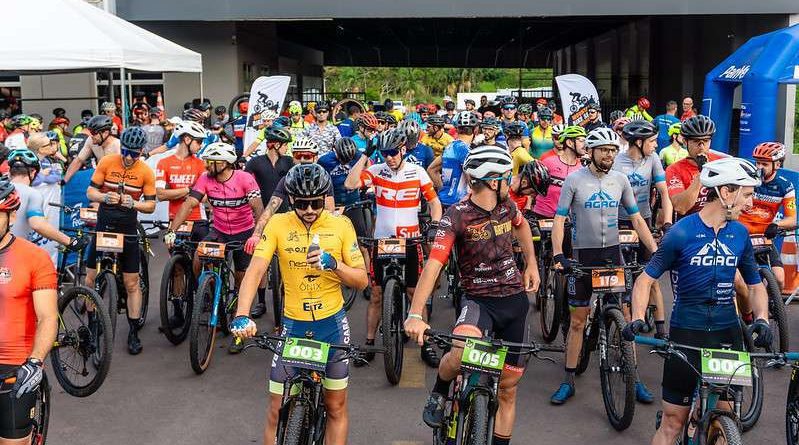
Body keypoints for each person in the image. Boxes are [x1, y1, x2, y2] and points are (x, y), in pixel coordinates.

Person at [623, 157, 770, 445]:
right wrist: (638, 318)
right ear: (726, 192)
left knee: (724, 415)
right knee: (672, 422)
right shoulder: (682, 232)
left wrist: (762, 318)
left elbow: (754, 285)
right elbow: (645, 280)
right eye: (748, 194)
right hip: (686, 335)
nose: (750, 203)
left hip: (727, 334)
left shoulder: (740, 233)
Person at [405, 145, 541, 445]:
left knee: (508, 388)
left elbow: (522, 227)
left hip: (515, 301)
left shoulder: (508, 206)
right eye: (508, 177)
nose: (512, 183)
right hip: (478, 301)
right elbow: (434, 265)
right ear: (494, 181)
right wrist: (415, 314)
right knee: (459, 354)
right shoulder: (457, 216)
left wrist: (531, 264)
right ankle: (440, 391)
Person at [229, 164, 367, 445]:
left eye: (316, 203)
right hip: (293, 326)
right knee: (275, 410)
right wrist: (242, 313)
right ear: (291, 199)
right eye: (302, 204)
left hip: (332, 326)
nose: (309, 210)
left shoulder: (341, 225)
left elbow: (362, 280)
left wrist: (334, 264)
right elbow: (256, 271)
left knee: (335, 407)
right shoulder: (278, 224)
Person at [549, 127, 658, 405]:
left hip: (612, 255)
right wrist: (558, 254)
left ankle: (634, 379)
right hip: (582, 257)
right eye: (604, 150)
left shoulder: (620, 180)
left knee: (624, 313)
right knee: (577, 321)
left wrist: (656, 252)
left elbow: (636, 219)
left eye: (612, 150)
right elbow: (560, 220)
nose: (609, 155)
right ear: (591, 152)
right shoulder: (574, 181)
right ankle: (568, 380)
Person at [344, 128, 443, 368]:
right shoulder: (377, 171)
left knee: (414, 294)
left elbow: (434, 202)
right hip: (383, 242)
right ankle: (369, 342)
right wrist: (365, 155)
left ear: (403, 150)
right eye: (385, 153)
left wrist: (435, 224)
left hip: (411, 241)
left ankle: (425, 342)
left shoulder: (417, 172)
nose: (389, 158)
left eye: (393, 153)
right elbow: (350, 184)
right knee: (376, 295)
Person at [84, 127, 157, 355]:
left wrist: (133, 203)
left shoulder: (145, 171)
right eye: (125, 151)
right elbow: (90, 192)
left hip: (128, 228)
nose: (127, 157)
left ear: (141, 151)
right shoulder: (107, 162)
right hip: (104, 224)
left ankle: (133, 331)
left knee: (131, 283)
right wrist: (104, 196)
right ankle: (92, 325)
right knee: (90, 278)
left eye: (134, 154)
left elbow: (151, 205)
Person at [0, 179, 59, 445]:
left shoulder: (35, 258)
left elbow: (47, 317)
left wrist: (34, 362)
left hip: (14, 368)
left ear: (12, 216)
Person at [615, 120, 673, 338]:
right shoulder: (617, 161)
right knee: (620, 274)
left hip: (643, 220)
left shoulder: (653, 159)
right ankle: (625, 318)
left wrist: (667, 223)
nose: (656, 145)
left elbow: (665, 193)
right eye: (653, 141)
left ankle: (660, 330)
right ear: (638, 142)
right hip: (619, 221)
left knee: (651, 274)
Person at [242, 126, 295, 318]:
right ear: (274, 144)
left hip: (285, 215)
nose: (287, 148)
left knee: (286, 258)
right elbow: (245, 182)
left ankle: (287, 295)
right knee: (260, 259)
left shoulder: (289, 162)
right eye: (284, 145)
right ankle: (262, 301)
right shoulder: (256, 162)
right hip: (262, 216)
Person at [738, 142, 797, 292]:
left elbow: (792, 219)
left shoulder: (785, 186)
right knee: (742, 282)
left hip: (763, 236)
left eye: (764, 164)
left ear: (777, 165)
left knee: (779, 279)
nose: (759, 167)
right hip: (741, 233)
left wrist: (776, 225)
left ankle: (772, 305)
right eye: (757, 163)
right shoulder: (747, 179)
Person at [6, 148, 83, 252]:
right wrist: (70, 241)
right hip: (12, 254)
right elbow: (38, 224)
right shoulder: (32, 194)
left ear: (10, 171)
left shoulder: (3, 188)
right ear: (32, 172)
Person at [665, 115, 724, 217]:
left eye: (705, 141)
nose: (701, 147)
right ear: (685, 142)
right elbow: (681, 208)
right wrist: (702, 174)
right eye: (696, 141)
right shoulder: (674, 170)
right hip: (690, 225)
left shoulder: (721, 162)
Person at [532, 125, 586, 219]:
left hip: (567, 218)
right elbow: (533, 186)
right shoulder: (548, 161)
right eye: (581, 140)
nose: (585, 144)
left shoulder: (582, 169)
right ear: (569, 142)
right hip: (543, 215)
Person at [427, 111, 477, 208]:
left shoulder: (450, 147)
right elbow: (470, 178)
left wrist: (443, 189)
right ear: (475, 130)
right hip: (460, 202)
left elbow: (431, 169)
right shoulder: (466, 150)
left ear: (457, 129)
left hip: (444, 199)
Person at [64, 115, 121, 183]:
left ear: (105, 133)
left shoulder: (117, 146)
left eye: (94, 133)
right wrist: (64, 181)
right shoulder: (91, 141)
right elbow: (78, 160)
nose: (91, 135)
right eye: (90, 132)